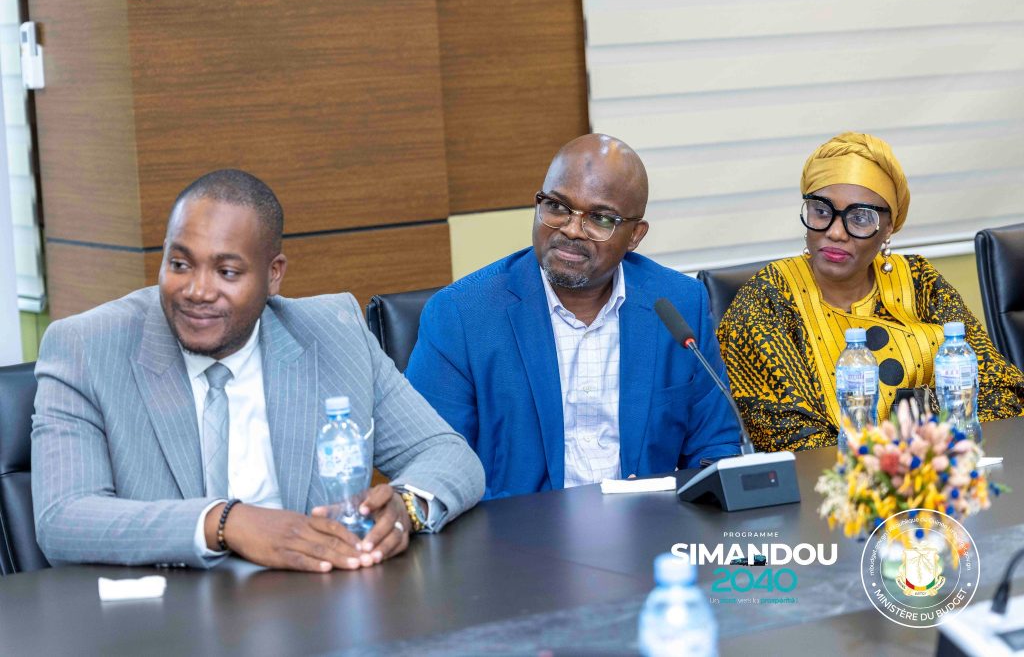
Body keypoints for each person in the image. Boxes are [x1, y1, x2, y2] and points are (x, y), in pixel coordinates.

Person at [32, 169, 484, 570]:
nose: (197, 291)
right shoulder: (87, 348)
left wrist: (406, 506)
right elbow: (63, 518)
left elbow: (448, 454)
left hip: (315, 605)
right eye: (180, 264)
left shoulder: (333, 333)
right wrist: (224, 522)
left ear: (273, 275)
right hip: (166, 617)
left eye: (227, 272)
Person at [405, 134, 741, 499]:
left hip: (650, 524)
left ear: (634, 235)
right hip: (516, 530)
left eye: (599, 218)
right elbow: (433, 463)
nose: (571, 229)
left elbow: (715, 444)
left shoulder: (678, 304)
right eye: (557, 206)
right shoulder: (460, 316)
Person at [717, 132, 1024, 452]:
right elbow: (786, 434)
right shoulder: (768, 299)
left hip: (944, 469)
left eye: (860, 218)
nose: (836, 232)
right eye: (821, 211)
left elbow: (997, 391)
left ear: (888, 228)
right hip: (834, 476)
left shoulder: (920, 281)